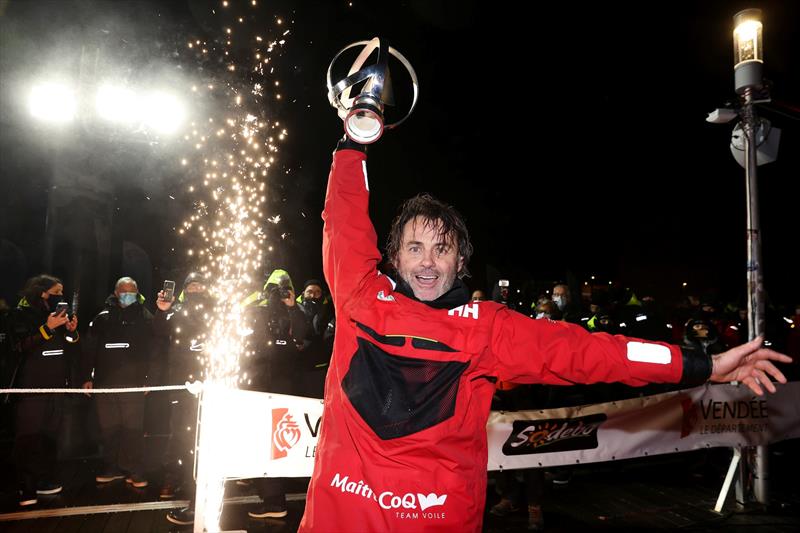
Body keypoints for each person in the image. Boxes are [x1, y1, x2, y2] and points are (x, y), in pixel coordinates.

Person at [297, 136, 791, 533]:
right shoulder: (363, 297)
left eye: (442, 249)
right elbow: (343, 220)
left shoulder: (490, 327)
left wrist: (703, 364)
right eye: (416, 247)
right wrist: (352, 141)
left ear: (460, 261)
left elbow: (593, 354)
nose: (428, 262)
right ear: (395, 256)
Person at [8, 275, 78, 506]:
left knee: (50, 436)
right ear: (42, 292)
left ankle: (44, 480)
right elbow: (19, 346)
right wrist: (47, 328)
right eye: (57, 291)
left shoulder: (58, 316)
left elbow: (69, 347)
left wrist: (70, 331)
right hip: (31, 388)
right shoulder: (20, 314)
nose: (61, 295)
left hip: (57, 386)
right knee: (28, 437)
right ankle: (25, 486)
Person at [80, 276, 156, 489]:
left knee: (133, 428)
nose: (127, 294)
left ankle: (135, 470)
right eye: (123, 290)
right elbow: (89, 348)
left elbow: (154, 351)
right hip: (106, 383)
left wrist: (149, 380)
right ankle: (111, 467)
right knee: (108, 428)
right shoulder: (102, 317)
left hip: (134, 385)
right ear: (115, 292)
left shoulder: (145, 316)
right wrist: (87, 377)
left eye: (131, 291)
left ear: (137, 292)